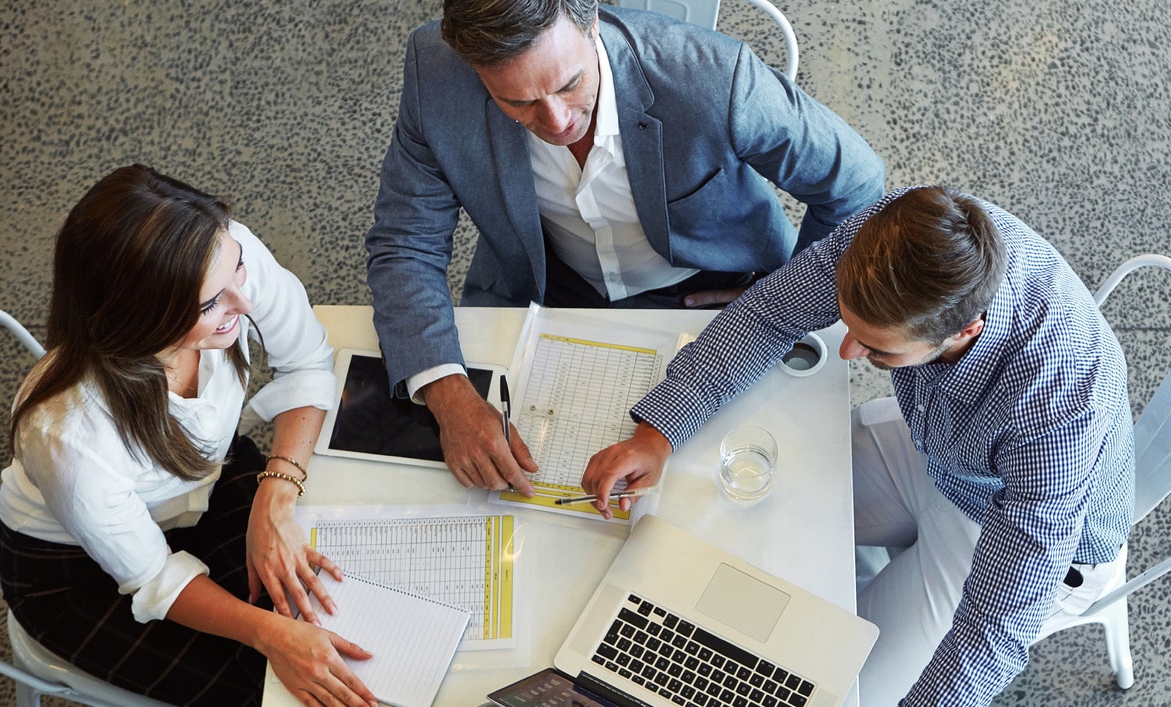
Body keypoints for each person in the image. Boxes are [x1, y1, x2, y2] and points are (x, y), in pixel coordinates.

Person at [583, 186, 1136, 706]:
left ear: (965, 330)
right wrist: (657, 433)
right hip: (938, 453)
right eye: (849, 326)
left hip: (1021, 539)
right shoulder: (899, 233)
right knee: (733, 520)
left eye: (878, 350)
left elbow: (995, 624)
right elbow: (771, 311)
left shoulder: (1060, 405)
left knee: (834, 687)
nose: (847, 352)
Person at [364, 0, 887, 498]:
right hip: (544, 282)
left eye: (570, 83)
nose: (557, 121)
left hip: (718, 291)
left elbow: (855, 185)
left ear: (591, 19)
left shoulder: (711, 75)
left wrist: (786, 296)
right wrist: (449, 395)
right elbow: (405, 242)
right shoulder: (433, 73)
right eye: (517, 102)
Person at [0, 165, 377, 707]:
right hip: (76, 571)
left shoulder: (220, 253)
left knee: (343, 609)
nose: (243, 306)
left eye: (238, 275)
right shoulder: (68, 435)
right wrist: (269, 635)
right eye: (208, 305)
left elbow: (309, 365)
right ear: (136, 320)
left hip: (202, 478)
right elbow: (153, 576)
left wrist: (275, 497)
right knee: (270, 688)